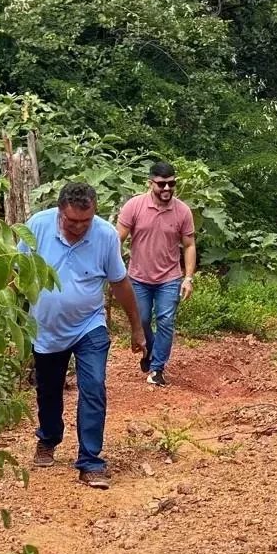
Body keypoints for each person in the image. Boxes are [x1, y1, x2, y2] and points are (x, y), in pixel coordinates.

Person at [23, 182, 146, 489]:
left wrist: (137, 327)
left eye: (85, 221)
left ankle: (90, 461)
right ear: (58, 212)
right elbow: (17, 276)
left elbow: (120, 283)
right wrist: (11, 323)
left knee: (93, 388)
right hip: (47, 328)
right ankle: (49, 437)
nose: (79, 227)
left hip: (89, 325)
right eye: (71, 221)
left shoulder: (104, 235)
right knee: (48, 391)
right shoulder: (36, 226)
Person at [117, 161, 197, 387]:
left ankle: (157, 368)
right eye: (161, 184)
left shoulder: (182, 211)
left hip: (169, 278)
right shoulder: (134, 206)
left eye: (171, 184)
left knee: (165, 321)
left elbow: (189, 245)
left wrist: (188, 277)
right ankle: (149, 351)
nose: (167, 189)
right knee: (141, 319)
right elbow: (117, 239)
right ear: (150, 183)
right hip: (138, 277)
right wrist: (112, 271)